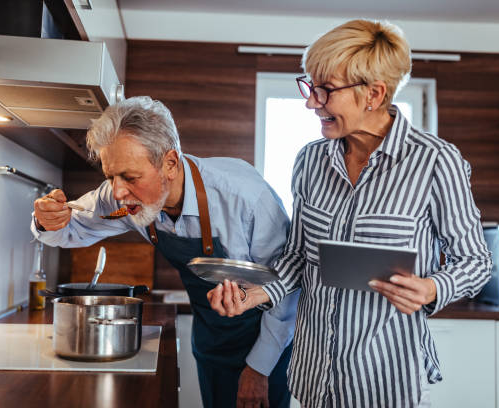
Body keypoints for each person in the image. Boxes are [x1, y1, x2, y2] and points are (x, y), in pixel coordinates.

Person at [207, 19, 492, 408]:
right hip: (311, 378)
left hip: (385, 383)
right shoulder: (309, 160)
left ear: (373, 94)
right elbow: (297, 256)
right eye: (309, 87)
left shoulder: (436, 162)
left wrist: (432, 288)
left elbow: (475, 262)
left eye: (324, 90)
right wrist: (257, 293)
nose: (310, 102)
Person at [31, 96, 299, 408]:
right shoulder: (122, 194)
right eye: (110, 176)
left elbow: (286, 291)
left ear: (170, 163)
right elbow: (73, 228)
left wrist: (258, 370)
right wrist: (47, 219)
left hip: (270, 345)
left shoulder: (245, 198)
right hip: (211, 339)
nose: (117, 192)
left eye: (130, 178)